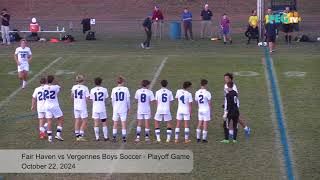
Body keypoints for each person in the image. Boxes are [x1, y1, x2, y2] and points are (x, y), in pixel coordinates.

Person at [44, 75, 64, 142]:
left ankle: (49, 138)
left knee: (49, 121)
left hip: (47, 105)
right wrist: (56, 82)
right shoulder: (56, 87)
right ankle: (58, 134)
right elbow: (60, 88)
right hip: (54, 105)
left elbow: (47, 84)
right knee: (60, 119)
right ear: (53, 80)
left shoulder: (45, 86)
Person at [111, 76, 130, 143]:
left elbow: (112, 100)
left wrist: (114, 107)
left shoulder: (114, 89)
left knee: (115, 123)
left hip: (116, 108)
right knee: (123, 123)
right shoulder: (126, 89)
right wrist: (128, 107)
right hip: (123, 108)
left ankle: (114, 137)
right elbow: (128, 100)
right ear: (123, 82)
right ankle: (124, 138)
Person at [71, 74, 90, 141]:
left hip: (76, 106)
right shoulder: (85, 88)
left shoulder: (74, 87)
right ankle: (81, 135)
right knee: (85, 121)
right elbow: (87, 98)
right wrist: (88, 103)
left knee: (77, 120)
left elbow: (72, 96)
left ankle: (77, 135)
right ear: (83, 80)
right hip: (82, 106)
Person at [90, 77, 109, 141]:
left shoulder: (92, 90)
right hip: (102, 108)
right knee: (104, 122)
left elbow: (91, 99)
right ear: (101, 82)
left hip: (95, 108)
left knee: (96, 123)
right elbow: (106, 99)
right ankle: (105, 137)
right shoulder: (104, 89)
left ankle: (97, 137)